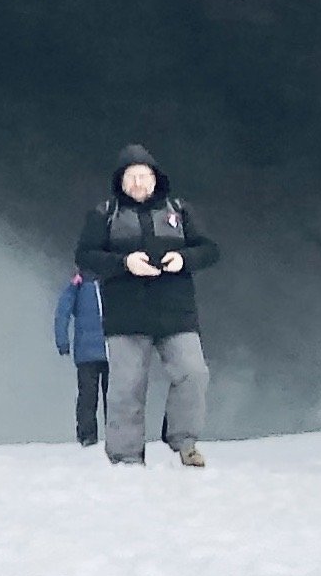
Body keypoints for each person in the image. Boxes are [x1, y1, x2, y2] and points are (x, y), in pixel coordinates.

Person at [75, 145, 218, 466]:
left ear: (156, 179)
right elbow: (85, 256)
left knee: (193, 373)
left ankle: (185, 442)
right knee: (126, 389)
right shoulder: (104, 214)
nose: (138, 183)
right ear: (121, 182)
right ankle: (126, 457)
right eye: (131, 177)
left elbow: (210, 249)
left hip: (176, 312)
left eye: (144, 176)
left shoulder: (179, 211)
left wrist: (183, 258)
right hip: (125, 315)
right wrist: (125, 263)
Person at [54, 252, 108, 448]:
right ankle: (116, 434)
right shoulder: (110, 284)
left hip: (85, 353)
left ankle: (87, 436)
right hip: (113, 348)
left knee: (87, 396)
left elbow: (62, 313)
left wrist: (62, 341)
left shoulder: (76, 286)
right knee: (113, 395)